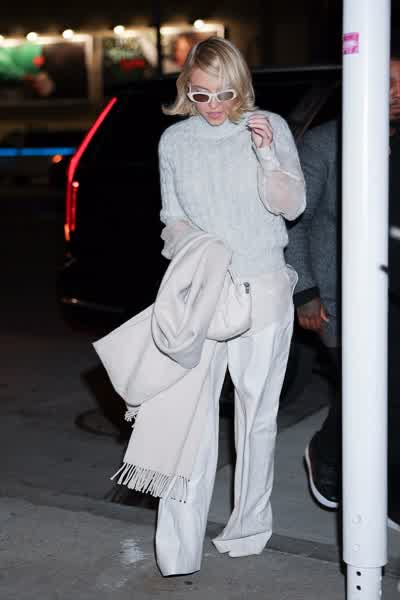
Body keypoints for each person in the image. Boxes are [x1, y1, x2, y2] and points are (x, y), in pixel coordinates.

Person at [155, 36, 305, 575]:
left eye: (225, 94)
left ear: (241, 87)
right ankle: (178, 550)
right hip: (203, 293)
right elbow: (172, 218)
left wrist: (266, 155)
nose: (213, 106)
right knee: (187, 423)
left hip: (263, 289)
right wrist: (200, 249)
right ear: (186, 89)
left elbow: (292, 207)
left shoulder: (268, 126)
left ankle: (247, 530)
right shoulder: (175, 140)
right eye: (200, 95)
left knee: (256, 417)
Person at [286, 50, 400, 531]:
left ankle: (388, 490)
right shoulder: (325, 143)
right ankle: (326, 452)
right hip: (339, 297)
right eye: (387, 79)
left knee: (389, 394)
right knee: (365, 391)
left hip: (392, 294)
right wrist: (306, 293)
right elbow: (295, 223)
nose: (395, 92)